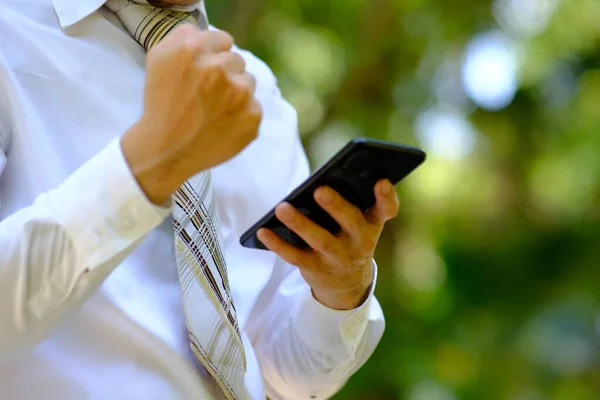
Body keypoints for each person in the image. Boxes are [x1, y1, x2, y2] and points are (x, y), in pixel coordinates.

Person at [0, 1, 400, 399]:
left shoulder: (256, 89)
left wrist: (339, 293)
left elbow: (285, 383)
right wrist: (142, 170)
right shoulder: (8, 34)